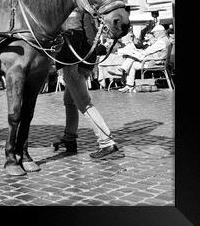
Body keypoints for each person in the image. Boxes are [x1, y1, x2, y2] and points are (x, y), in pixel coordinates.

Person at [52, 9, 121, 159]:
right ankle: (69, 138)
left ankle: (106, 142)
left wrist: (87, 66)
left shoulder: (79, 10)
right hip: (74, 62)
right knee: (69, 101)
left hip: (74, 63)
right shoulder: (78, 9)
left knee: (84, 103)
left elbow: (91, 39)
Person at [116, 25, 170, 93]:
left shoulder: (161, 42)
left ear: (159, 32)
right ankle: (127, 79)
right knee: (132, 59)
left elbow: (149, 50)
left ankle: (128, 83)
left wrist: (140, 52)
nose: (154, 35)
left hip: (154, 62)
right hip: (155, 60)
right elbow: (150, 50)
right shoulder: (165, 40)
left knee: (132, 59)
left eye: (154, 33)